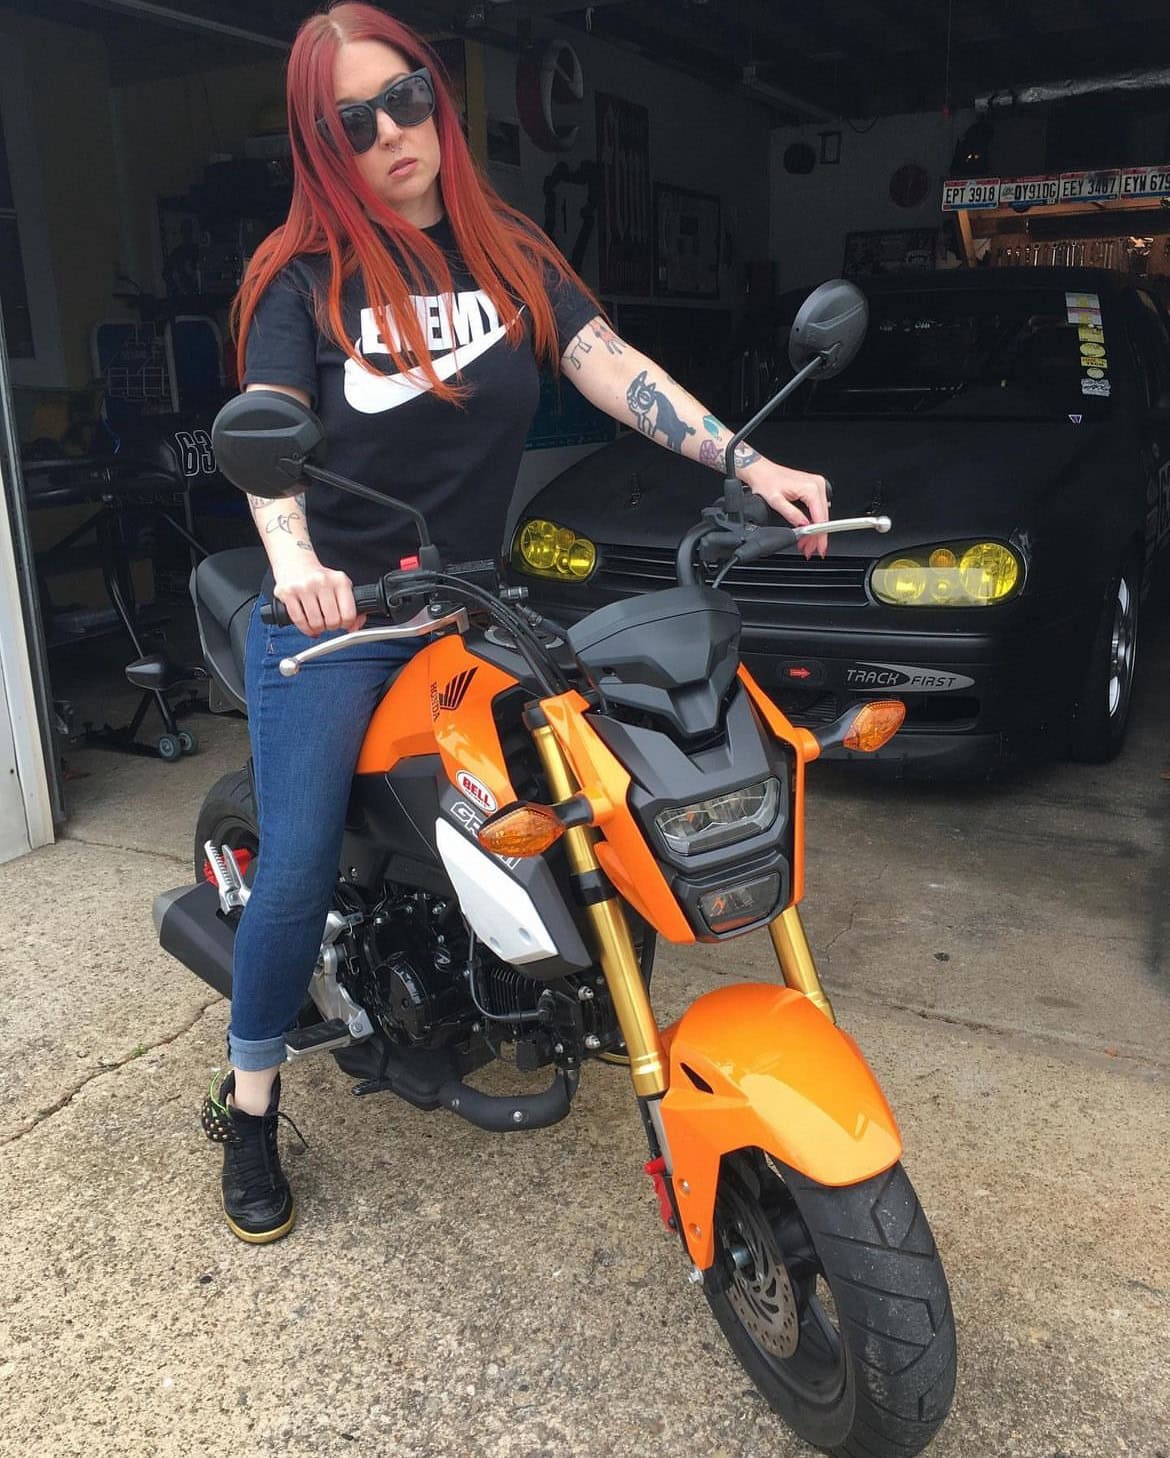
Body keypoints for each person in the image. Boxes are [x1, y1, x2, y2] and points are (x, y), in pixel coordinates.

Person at [203, 0, 830, 1244]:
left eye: (408, 99)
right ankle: (252, 1099)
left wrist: (747, 460)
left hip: (470, 600)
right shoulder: (300, 275)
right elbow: (266, 435)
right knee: (299, 863)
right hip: (339, 614)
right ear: (319, 142)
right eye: (354, 120)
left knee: (596, 769)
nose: (392, 133)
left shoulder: (506, 249)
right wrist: (298, 566)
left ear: (438, 99)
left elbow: (612, 365)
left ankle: (561, 987)